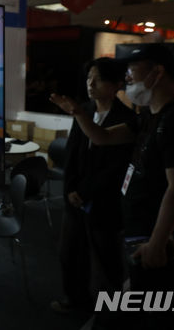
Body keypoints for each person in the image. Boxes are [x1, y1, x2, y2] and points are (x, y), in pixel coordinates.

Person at [51, 44, 174, 329]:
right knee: (144, 310)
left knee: (154, 313)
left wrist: (158, 242)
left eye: (132, 70)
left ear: (157, 73)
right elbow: (102, 137)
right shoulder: (148, 116)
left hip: (162, 238)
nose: (127, 78)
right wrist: (79, 113)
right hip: (139, 230)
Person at [51, 58, 136, 321]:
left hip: (104, 200)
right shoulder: (84, 109)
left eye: (98, 79)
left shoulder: (127, 119)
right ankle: (75, 300)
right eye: (89, 77)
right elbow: (72, 153)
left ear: (117, 84)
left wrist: (85, 191)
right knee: (69, 253)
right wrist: (70, 189)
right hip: (74, 196)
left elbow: (116, 167)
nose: (91, 83)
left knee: (106, 260)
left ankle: (110, 315)